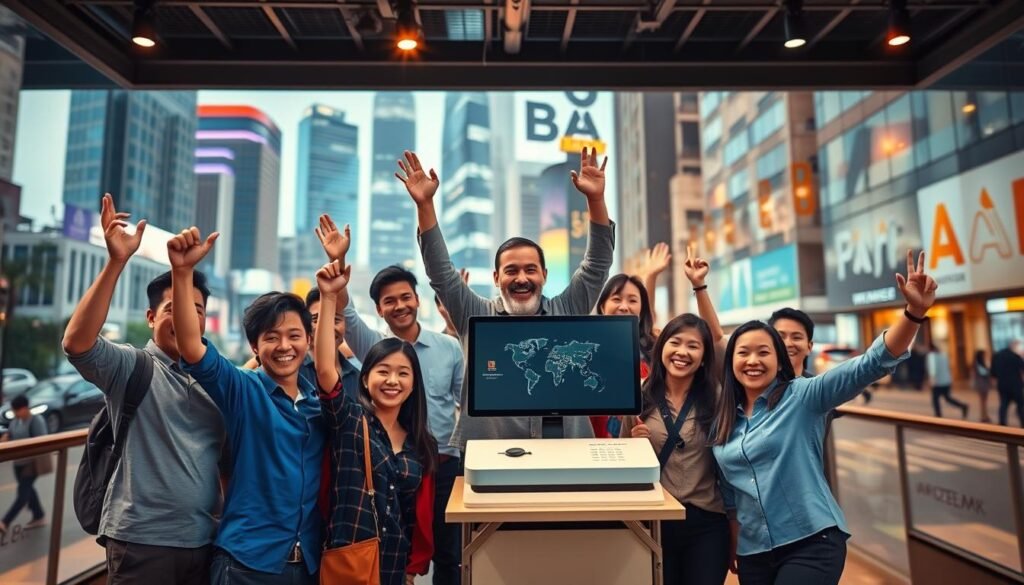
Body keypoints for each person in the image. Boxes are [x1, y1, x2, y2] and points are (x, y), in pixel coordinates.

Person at [711, 250, 935, 584]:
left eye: (764, 352)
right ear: (731, 362)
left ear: (779, 360)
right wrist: (733, 543)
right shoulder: (724, 419)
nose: (752, 361)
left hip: (812, 542)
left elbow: (871, 363)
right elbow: (731, 496)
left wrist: (913, 314)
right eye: (743, 353)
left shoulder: (804, 396)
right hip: (753, 551)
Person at [403, 148, 615, 447]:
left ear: (544, 275)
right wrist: (424, 204)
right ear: (496, 278)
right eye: (511, 270)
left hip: (566, 452)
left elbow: (597, 265)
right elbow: (440, 272)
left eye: (530, 270)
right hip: (487, 458)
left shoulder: (567, 309)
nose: (521, 278)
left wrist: (595, 199)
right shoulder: (474, 315)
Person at [62, 195, 224, 584]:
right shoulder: (133, 366)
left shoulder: (216, 380)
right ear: (151, 317)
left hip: (203, 542)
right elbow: (77, 343)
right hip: (140, 542)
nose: (187, 316)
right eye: (174, 308)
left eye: (197, 310)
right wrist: (117, 261)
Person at [169, 227, 324, 584]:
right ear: (255, 347)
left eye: (294, 336)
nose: (284, 346)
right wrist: (182, 273)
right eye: (271, 337)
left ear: (308, 341)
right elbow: (192, 347)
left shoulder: (318, 404)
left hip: (308, 564)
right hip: (247, 564)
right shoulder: (243, 388)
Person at [315, 214, 464, 585]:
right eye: (388, 301)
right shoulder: (372, 356)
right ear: (379, 309)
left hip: (438, 460)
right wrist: (335, 271)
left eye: (405, 297)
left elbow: (466, 404)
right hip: (380, 471)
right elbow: (342, 323)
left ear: (417, 300)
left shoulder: (449, 347)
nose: (399, 306)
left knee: (449, 552)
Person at [620, 315, 729, 585]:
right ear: (662, 348)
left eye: (693, 346)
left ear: (704, 356)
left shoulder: (716, 397)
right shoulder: (639, 394)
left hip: (708, 522)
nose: (682, 352)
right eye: (675, 342)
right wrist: (635, 447)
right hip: (656, 521)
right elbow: (623, 463)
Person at [593, 273, 656, 438]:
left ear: (642, 310)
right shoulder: (584, 350)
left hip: (643, 444)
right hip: (594, 447)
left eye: (632, 300)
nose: (624, 306)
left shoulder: (655, 350)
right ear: (602, 306)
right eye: (616, 299)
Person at [0, 395, 49, 534]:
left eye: (17, 410)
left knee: (22, 493)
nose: (15, 413)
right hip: (18, 463)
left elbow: (43, 441)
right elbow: (9, 436)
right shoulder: (15, 421)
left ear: (25, 408)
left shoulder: (36, 420)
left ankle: (5, 521)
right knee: (28, 490)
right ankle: (39, 516)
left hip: (32, 463)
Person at [926, 342, 968, 419]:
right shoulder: (943, 355)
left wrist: (931, 381)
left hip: (937, 382)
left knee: (935, 399)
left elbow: (933, 370)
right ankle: (963, 406)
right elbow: (948, 367)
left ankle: (938, 415)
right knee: (948, 398)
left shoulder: (931, 356)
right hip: (946, 381)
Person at [992, 340, 1024, 427]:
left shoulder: (997, 356)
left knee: (1003, 405)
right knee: (1020, 406)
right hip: (1016, 385)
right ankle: (1022, 423)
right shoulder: (1015, 356)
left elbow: (993, 372)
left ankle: (1002, 423)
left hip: (1002, 385)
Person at [973, 349, 993, 423]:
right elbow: (984, 373)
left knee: (983, 401)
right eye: (984, 354)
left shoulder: (980, 363)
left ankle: (985, 415)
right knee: (983, 401)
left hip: (982, 383)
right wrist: (988, 369)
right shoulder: (979, 363)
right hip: (982, 384)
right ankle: (983, 416)